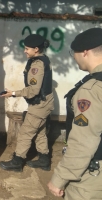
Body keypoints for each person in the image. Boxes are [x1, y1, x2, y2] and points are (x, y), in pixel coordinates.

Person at [48, 28, 102, 199]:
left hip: (92, 178)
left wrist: (60, 178)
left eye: (73, 52)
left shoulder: (91, 90)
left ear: (85, 52)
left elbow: (84, 141)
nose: (73, 57)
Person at [0, 34, 54, 172]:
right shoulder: (42, 59)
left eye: (27, 48)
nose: (25, 51)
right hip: (43, 103)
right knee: (40, 132)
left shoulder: (38, 64)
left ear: (36, 49)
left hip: (40, 104)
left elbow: (34, 90)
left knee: (25, 133)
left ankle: (17, 161)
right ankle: (44, 160)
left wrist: (13, 93)